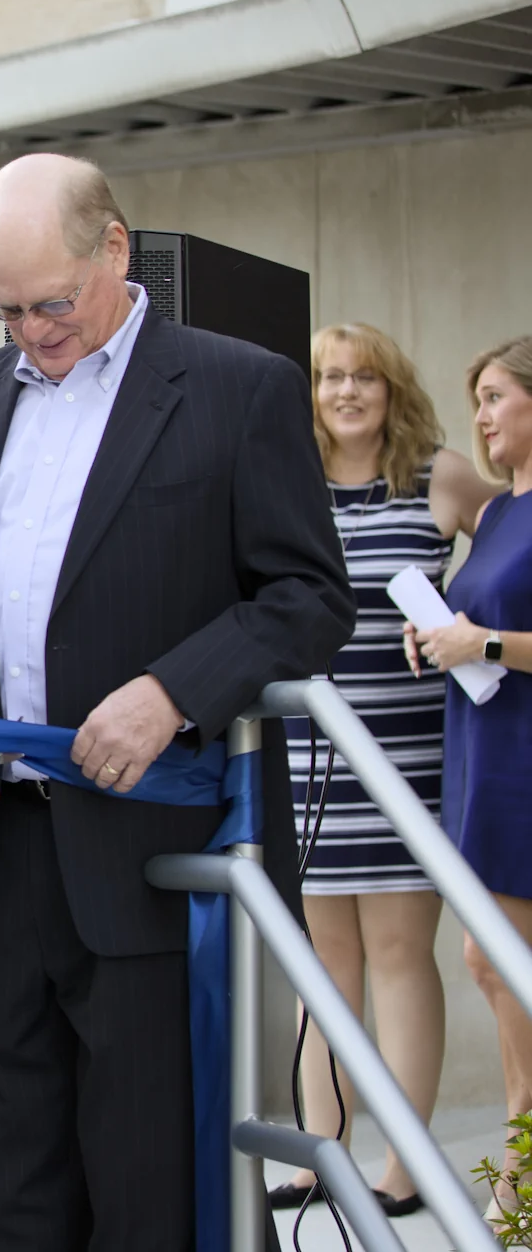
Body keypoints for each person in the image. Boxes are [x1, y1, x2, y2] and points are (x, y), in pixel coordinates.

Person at [0, 153, 352, 1248]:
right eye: (6, 308)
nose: (33, 330)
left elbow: (311, 597)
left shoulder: (240, 384)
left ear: (117, 250)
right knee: (13, 1200)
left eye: (54, 302)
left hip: (150, 865)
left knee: (151, 1198)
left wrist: (176, 691)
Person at [271, 323, 494, 1217]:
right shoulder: (286, 482)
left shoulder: (438, 477)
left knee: (402, 959)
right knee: (321, 971)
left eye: (364, 376)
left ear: (392, 387)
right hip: (310, 755)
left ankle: (403, 1169)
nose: (346, 392)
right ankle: (320, 1154)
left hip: (408, 759)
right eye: (329, 378)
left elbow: (515, 546)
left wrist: (477, 619)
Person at [408, 335, 532, 1225]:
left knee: (502, 961)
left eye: (494, 397)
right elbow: (483, 619)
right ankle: (524, 1162)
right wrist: (444, 634)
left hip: (525, 759)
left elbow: (501, 637)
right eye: (477, 399)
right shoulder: (496, 516)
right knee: (494, 965)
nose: (481, 417)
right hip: (482, 750)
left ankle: (522, 1165)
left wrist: (482, 644)